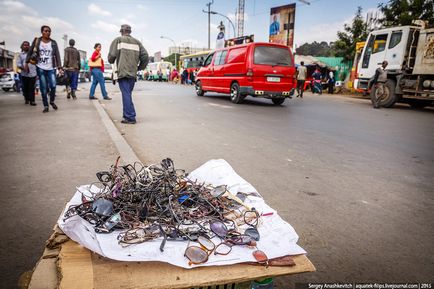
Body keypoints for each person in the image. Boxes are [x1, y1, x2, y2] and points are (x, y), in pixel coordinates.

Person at [108, 24, 148, 124]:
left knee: (126, 94)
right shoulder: (137, 42)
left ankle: (130, 117)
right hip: (132, 73)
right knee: (128, 94)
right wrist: (139, 67)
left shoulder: (118, 40)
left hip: (122, 72)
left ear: (121, 31)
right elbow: (145, 56)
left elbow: (111, 57)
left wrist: (112, 59)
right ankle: (127, 115)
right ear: (130, 32)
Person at [27, 25, 62, 113]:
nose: (48, 33)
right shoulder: (37, 41)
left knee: (53, 85)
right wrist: (27, 62)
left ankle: (52, 101)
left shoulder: (53, 43)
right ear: (42, 32)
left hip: (51, 68)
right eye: (46, 31)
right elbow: (30, 51)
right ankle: (46, 105)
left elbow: (57, 55)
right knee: (43, 88)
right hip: (40, 67)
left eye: (49, 31)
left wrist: (59, 67)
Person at [17, 41, 37, 105]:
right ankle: (26, 98)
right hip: (24, 74)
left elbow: (36, 61)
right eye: (25, 45)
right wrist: (23, 68)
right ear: (22, 46)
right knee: (25, 88)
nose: (26, 46)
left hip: (33, 73)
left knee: (32, 88)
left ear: (29, 46)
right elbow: (18, 64)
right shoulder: (20, 55)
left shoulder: (33, 53)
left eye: (27, 45)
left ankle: (32, 101)